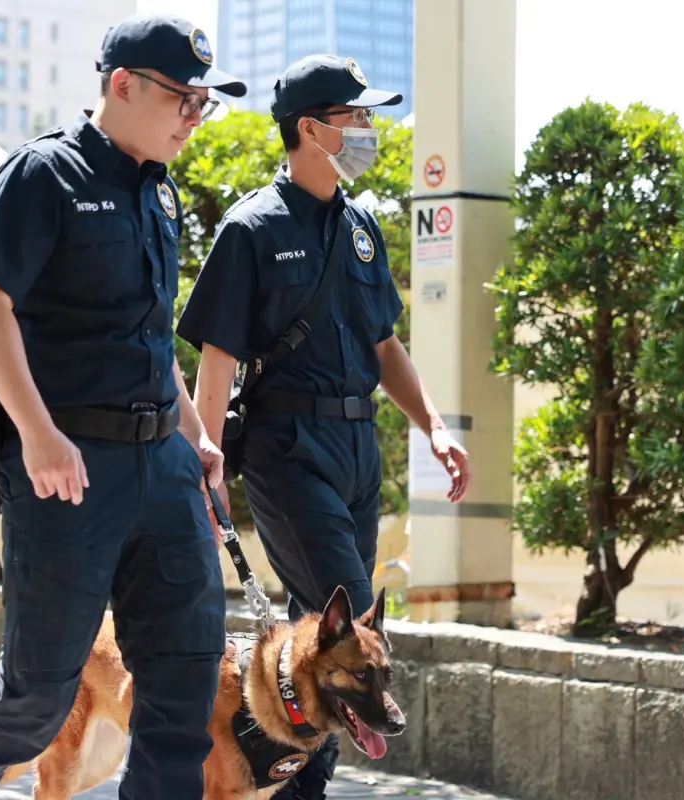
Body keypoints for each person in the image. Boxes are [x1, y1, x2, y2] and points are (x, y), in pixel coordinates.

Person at [0, 14, 247, 800]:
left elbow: (152, 342)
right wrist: (37, 434)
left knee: (186, 679)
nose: (194, 117)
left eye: (206, 103)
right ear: (121, 85)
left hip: (162, 465)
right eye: (183, 99)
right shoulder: (44, 175)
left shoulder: (161, 194)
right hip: (69, 469)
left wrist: (197, 443)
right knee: (37, 694)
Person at [176, 54, 472, 799]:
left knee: (342, 629)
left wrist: (432, 426)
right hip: (288, 447)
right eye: (358, 116)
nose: (372, 129)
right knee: (344, 638)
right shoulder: (251, 228)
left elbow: (384, 344)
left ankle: (270, 773)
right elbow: (217, 360)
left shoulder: (362, 224)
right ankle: (299, 784)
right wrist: (204, 470)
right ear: (310, 129)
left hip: (357, 447)